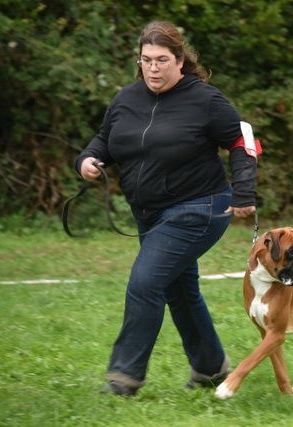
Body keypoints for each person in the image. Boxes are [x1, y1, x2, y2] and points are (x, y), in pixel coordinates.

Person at [75, 20, 260, 396]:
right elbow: (105, 139)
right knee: (179, 289)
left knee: (145, 282)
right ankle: (210, 367)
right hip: (150, 213)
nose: (153, 68)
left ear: (180, 61)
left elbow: (243, 142)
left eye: (161, 60)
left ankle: (124, 377)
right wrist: (88, 159)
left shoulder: (206, 100)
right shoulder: (126, 99)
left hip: (201, 206)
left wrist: (244, 192)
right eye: (146, 60)